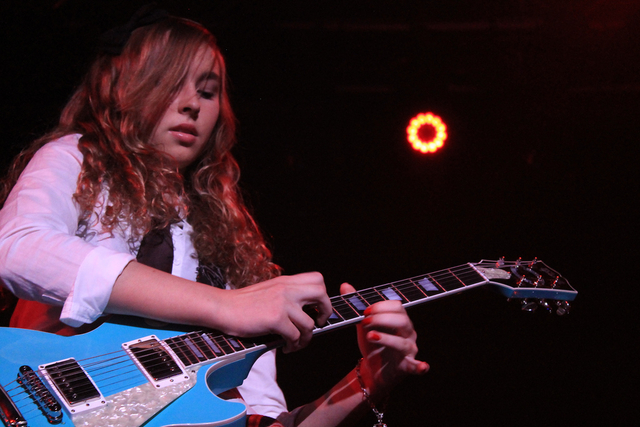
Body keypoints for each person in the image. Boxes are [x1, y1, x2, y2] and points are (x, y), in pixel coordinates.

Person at [0, 7, 428, 426]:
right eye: (170, 84)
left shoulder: (228, 245)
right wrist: (226, 307)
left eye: (207, 93)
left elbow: (262, 419)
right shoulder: (79, 159)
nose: (192, 105)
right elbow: (17, 247)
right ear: (123, 87)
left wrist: (368, 379)